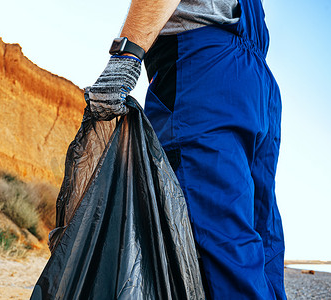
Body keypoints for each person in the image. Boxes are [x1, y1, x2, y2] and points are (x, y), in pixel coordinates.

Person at [86, 0, 287, 299]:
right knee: (260, 241)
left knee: (213, 246)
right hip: (254, 82)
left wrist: (127, 54)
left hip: (201, 68)